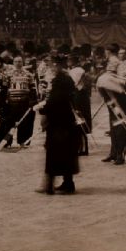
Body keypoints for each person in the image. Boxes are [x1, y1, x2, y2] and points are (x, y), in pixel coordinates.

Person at [34, 57, 80, 195]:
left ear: (59, 66)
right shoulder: (66, 79)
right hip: (66, 121)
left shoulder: (60, 80)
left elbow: (56, 101)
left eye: (54, 65)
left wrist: (43, 109)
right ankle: (68, 183)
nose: (52, 68)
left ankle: (49, 185)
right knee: (66, 153)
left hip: (59, 123)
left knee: (54, 152)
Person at [0, 56, 37, 147]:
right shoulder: (7, 74)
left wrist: (33, 101)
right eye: (16, 61)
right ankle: (7, 142)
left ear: (22, 63)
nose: (18, 63)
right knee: (8, 122)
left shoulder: (29, 74)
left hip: (24, 102)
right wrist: (2, 102)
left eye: (20, 61)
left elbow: (33, 89)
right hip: (11, 102)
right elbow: (4, 89)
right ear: (13, 63)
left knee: (25, 122)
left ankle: (23, 141)